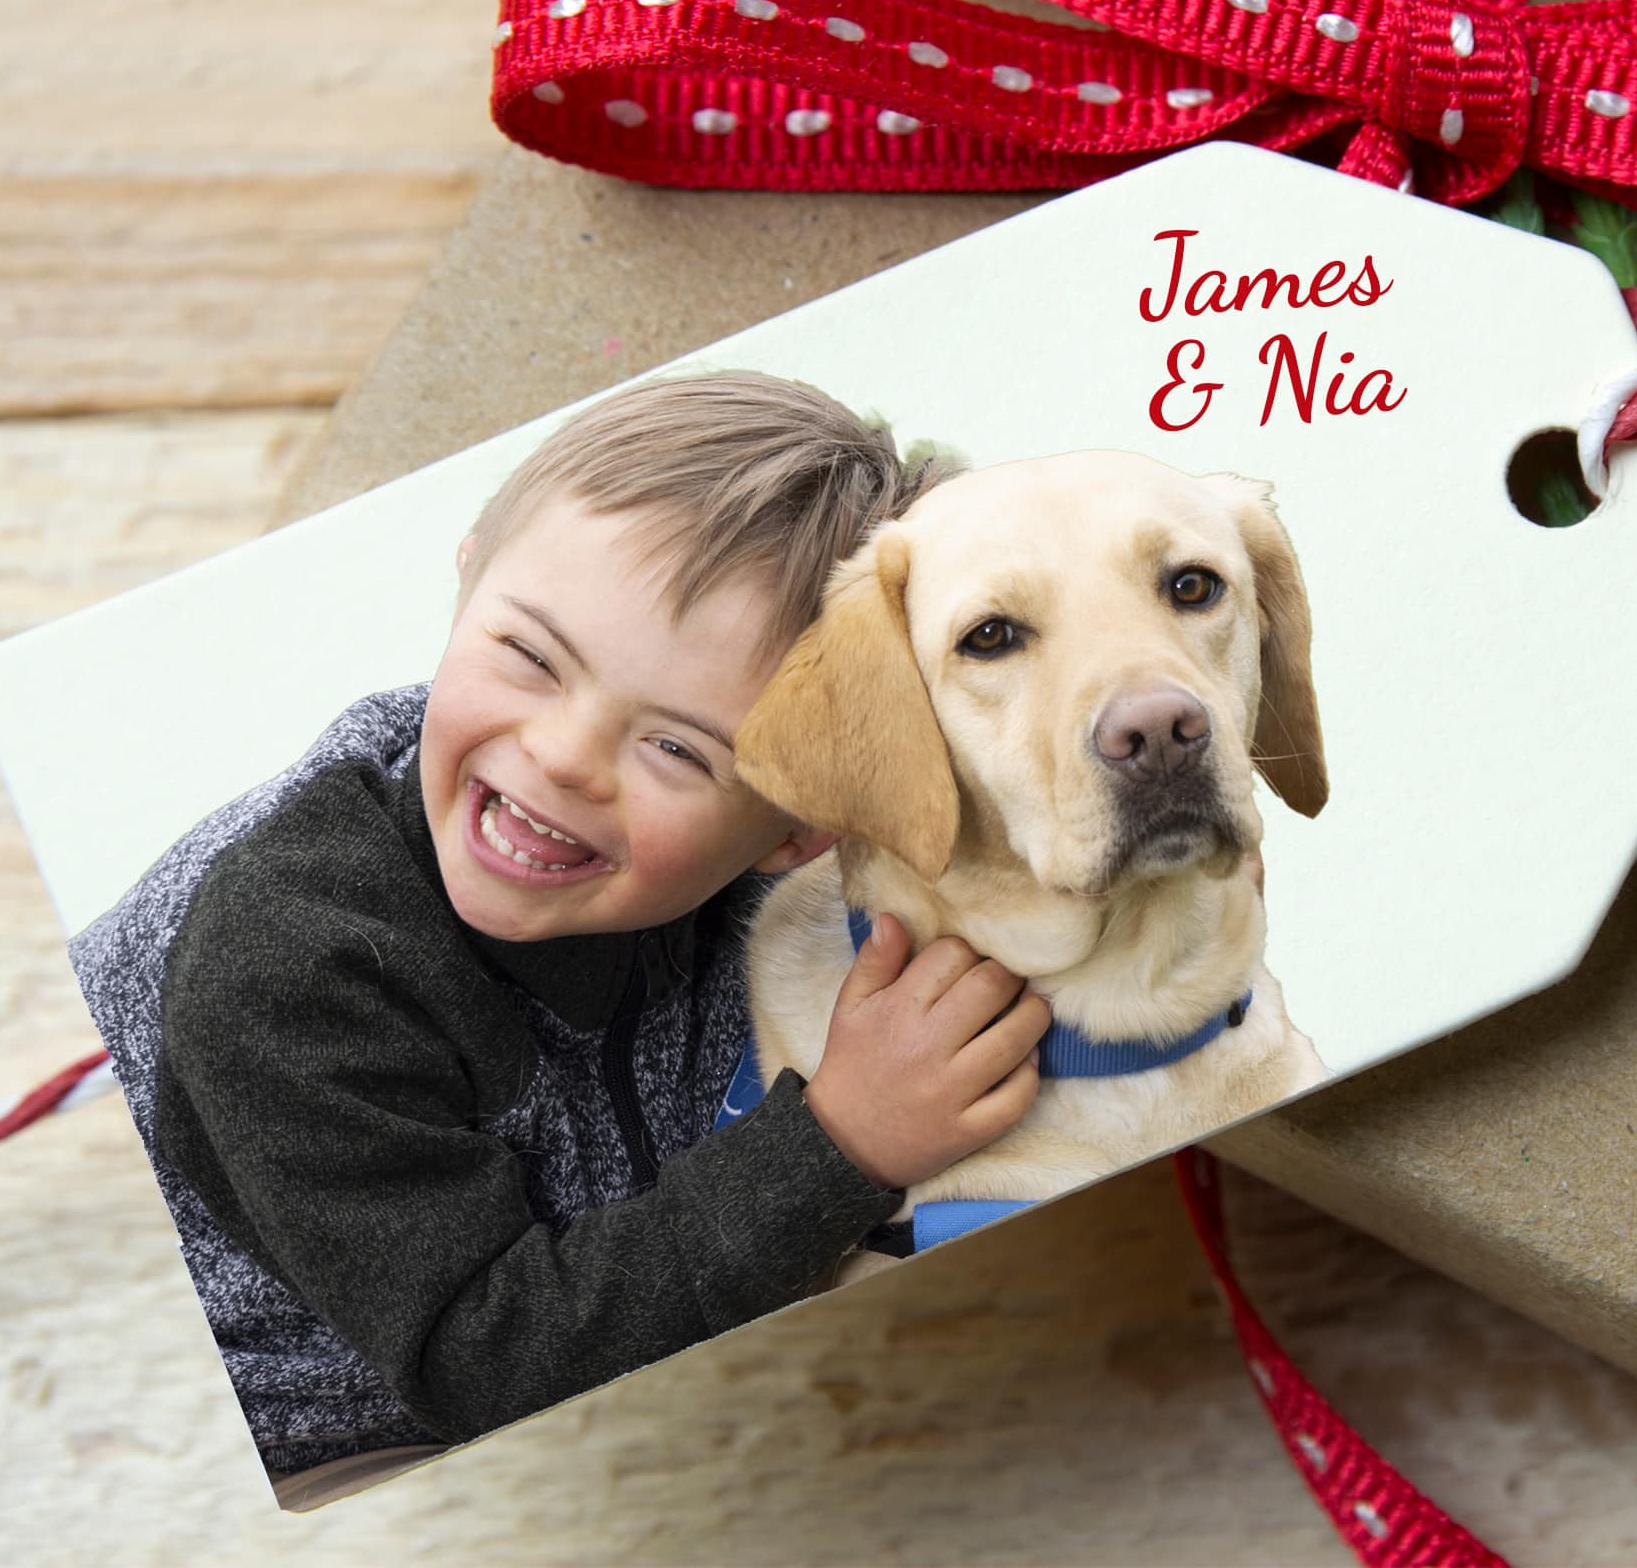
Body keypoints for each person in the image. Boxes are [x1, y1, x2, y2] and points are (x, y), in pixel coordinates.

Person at [66, 372, 1048, 1506]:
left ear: (800, 835)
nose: (566, 754)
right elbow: (485, 1366)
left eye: (679, 750)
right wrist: (840, 1143)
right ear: (470, 571)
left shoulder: (746, 878)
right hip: (306, 1424)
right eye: (530, 657)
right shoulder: (295, 967)